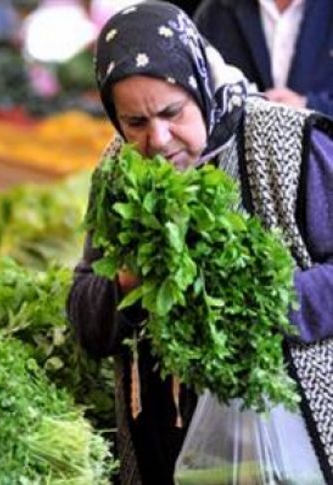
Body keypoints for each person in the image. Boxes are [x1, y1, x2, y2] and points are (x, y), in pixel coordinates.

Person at [67, 2, 333, 484]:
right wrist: (128, 282)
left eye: (172, 112)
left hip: (290, 446)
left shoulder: (286, 142)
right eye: (135, 124)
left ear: (200, 85)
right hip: (165, 453)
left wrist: (270, 302)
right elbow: (85, 320)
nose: (159, 140)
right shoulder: (117, 170)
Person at [194, 0, 333, 117]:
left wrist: (309, 106)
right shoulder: (215, 12)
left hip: (323, 145)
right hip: (242, 145)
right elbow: (196, 101)